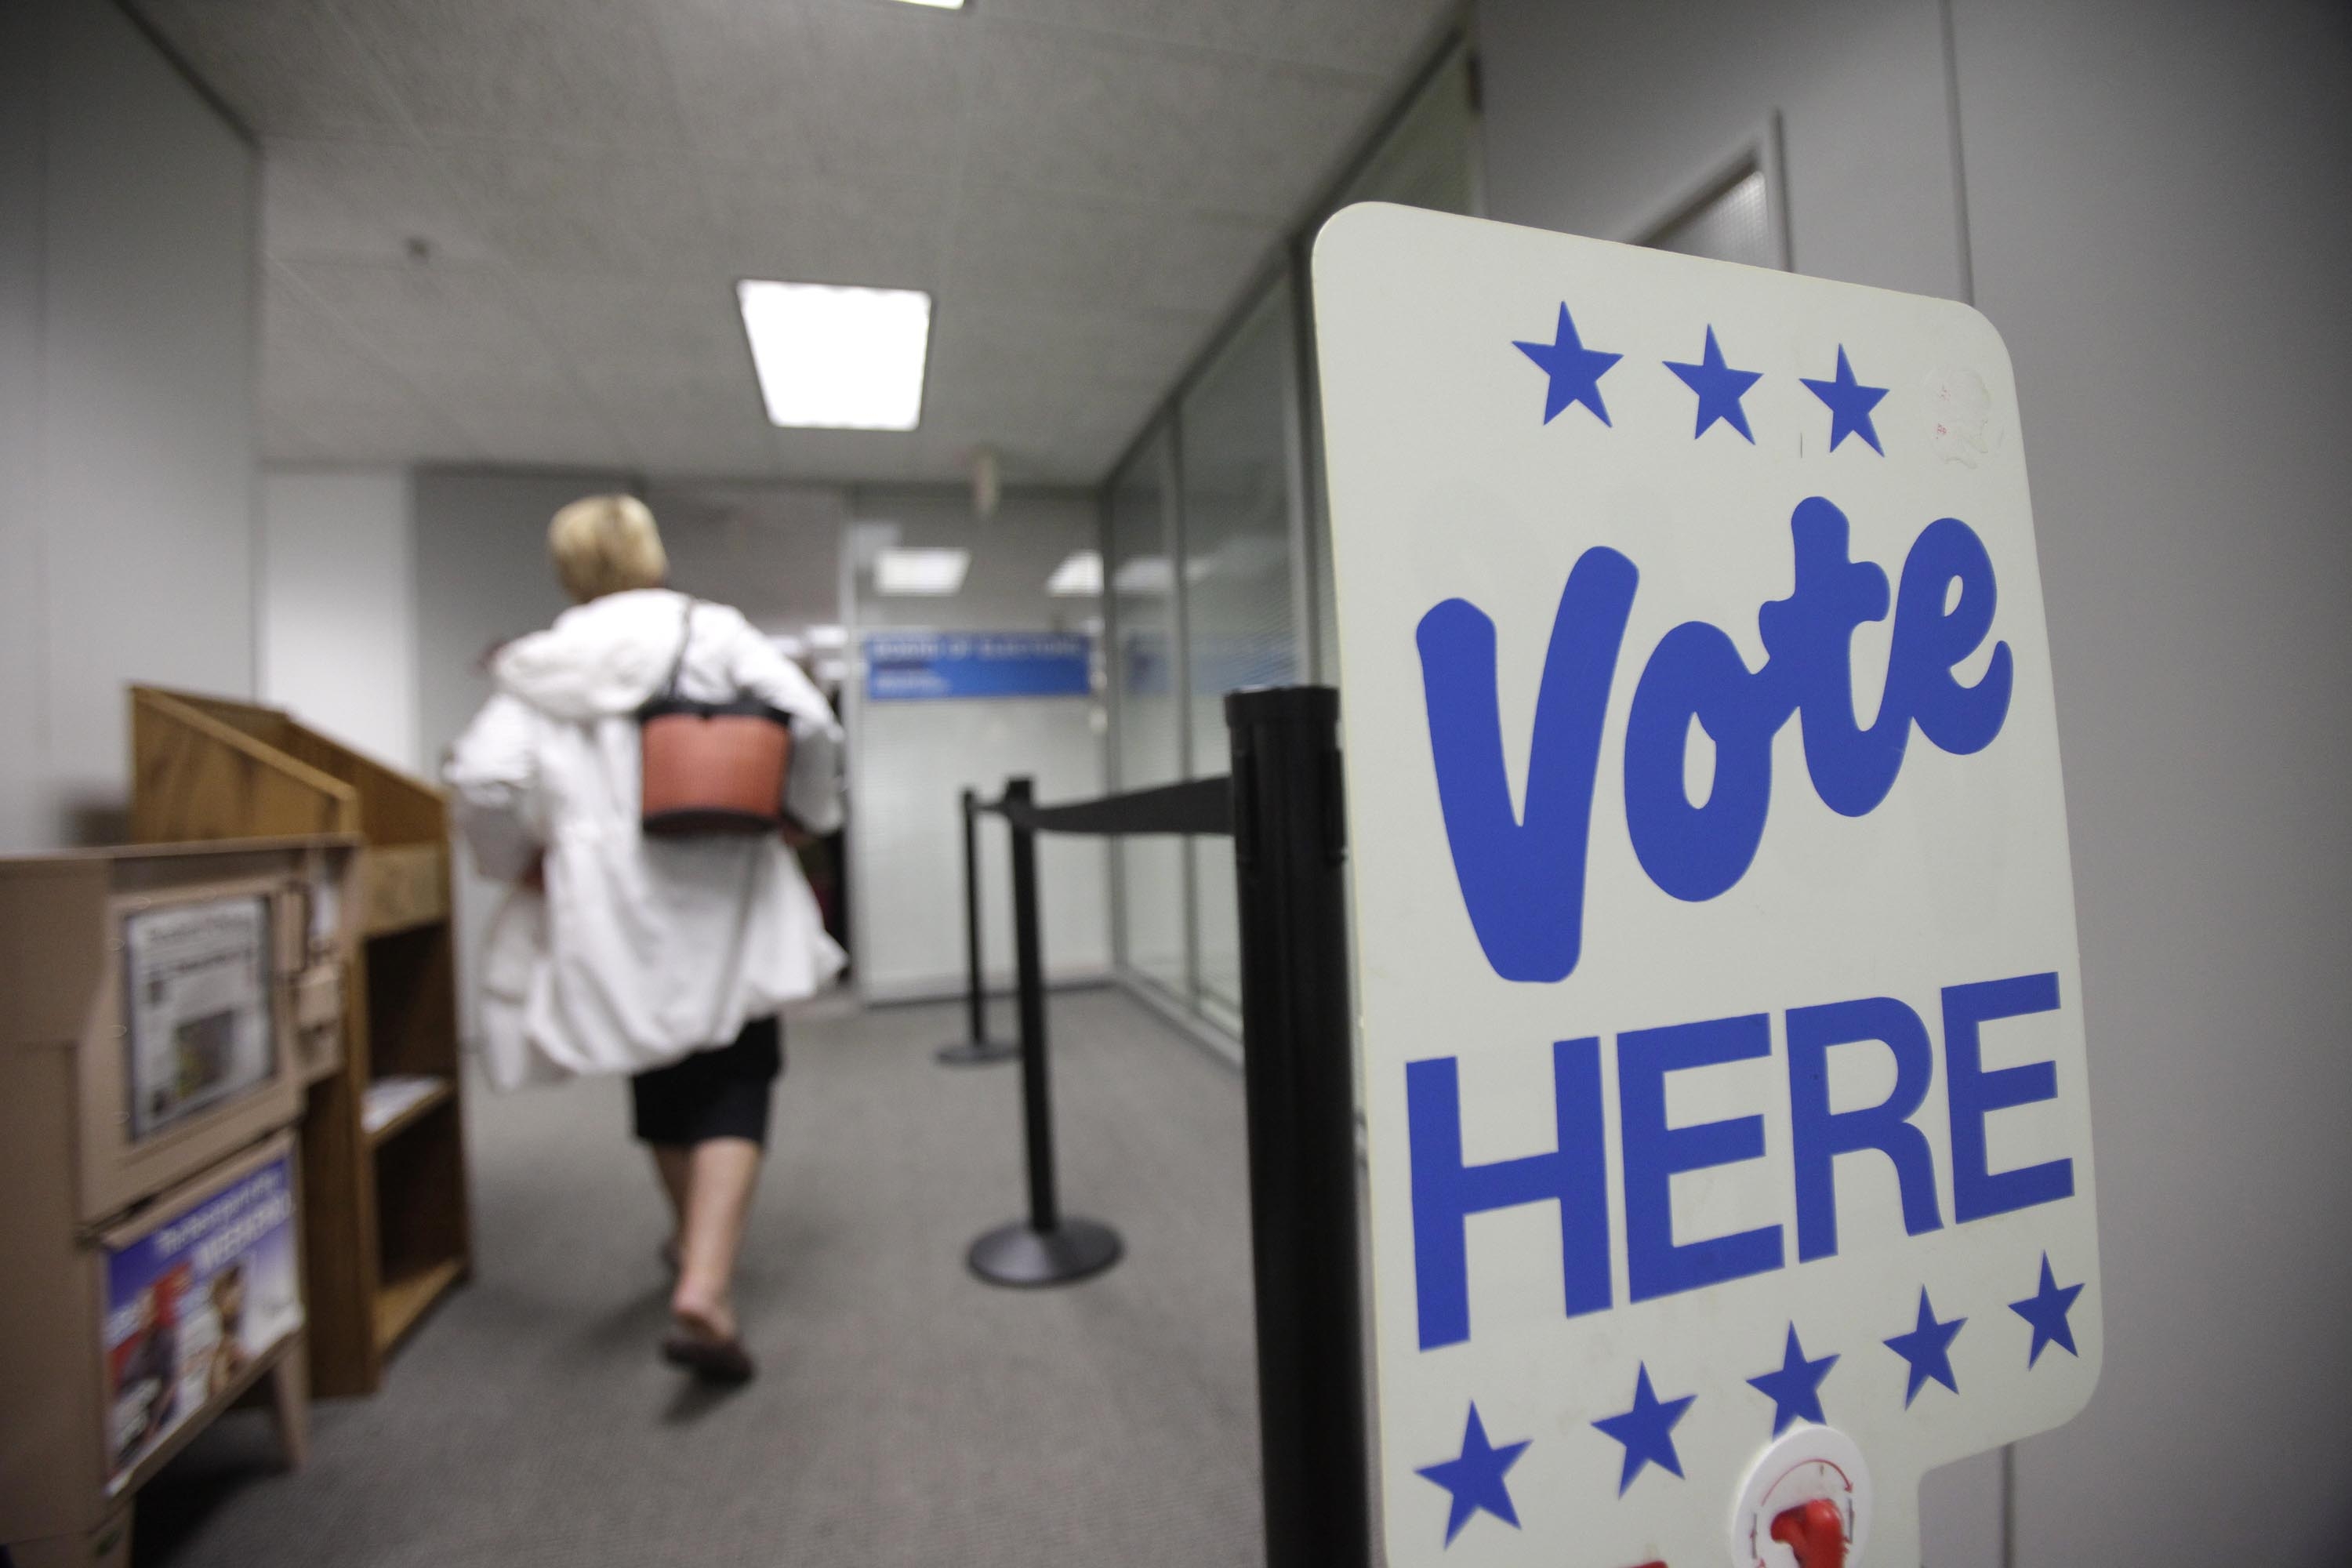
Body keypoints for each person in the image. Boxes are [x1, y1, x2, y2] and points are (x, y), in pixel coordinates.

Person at [446, 494, 845, 1384]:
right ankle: (705, 1278)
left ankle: (692, 1252)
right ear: (654, 555)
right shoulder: (713, 633)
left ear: (568, 570)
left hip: (607, 903)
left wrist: (522, 859)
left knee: (661, 1069)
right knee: (738, 1068)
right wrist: (802, 815)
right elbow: (813, 724)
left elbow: (481, 775)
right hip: (723, 881)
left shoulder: (543, 664)